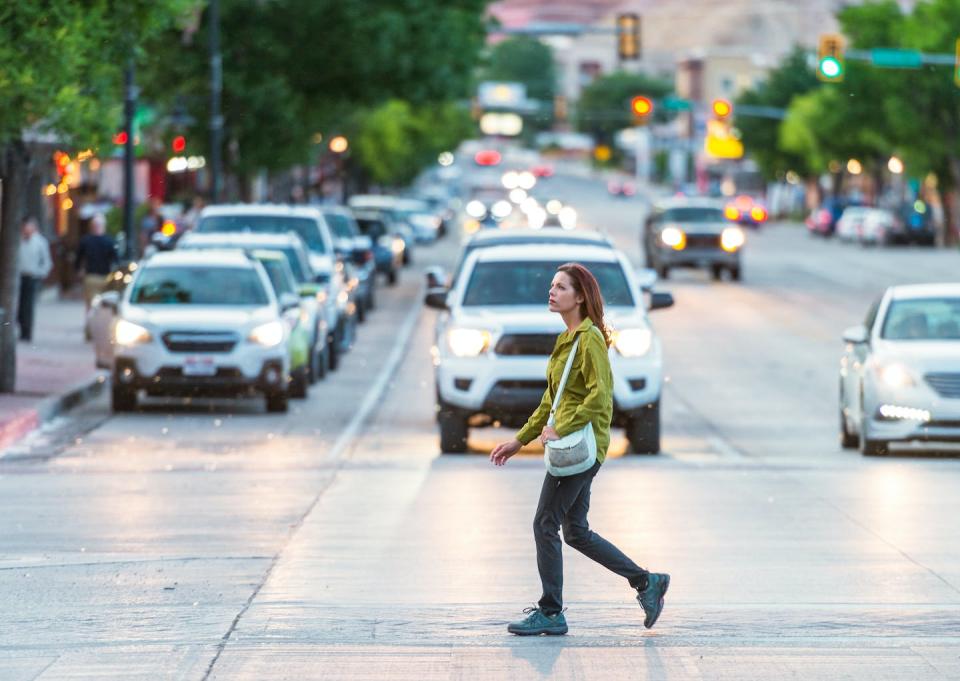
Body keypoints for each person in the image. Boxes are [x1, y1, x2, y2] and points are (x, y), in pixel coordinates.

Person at [489, 263, 669, 636]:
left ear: (581, 296)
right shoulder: (568, 339)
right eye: (552, 286)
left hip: (581, 447)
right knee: (575, 531)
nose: (552, 292)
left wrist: (561, 429)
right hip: (570, 444)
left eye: (561, 287)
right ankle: (646, 583)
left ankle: (551, 612)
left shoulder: (589, 339)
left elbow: (600, 399)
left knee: (544, 523)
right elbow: (550, 402)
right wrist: (520, 439)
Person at [16, 217, 53, 342]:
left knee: (28, 306)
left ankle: (27, 332)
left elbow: (47, 262)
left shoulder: (40, 242)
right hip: (19, 277)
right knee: (19, 305)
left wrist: (41, 273)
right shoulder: (18, 240)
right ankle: (21, 330)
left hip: (32, 277)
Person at [75, 213, 118, 313]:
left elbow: (78, 259)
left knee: (91, 304)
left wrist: (78, 270)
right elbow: (116, 260)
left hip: (91, 277)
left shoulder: (85, 240)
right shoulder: (110, 241)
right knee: (104, 304)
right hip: (105, 277)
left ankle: (91, 324)